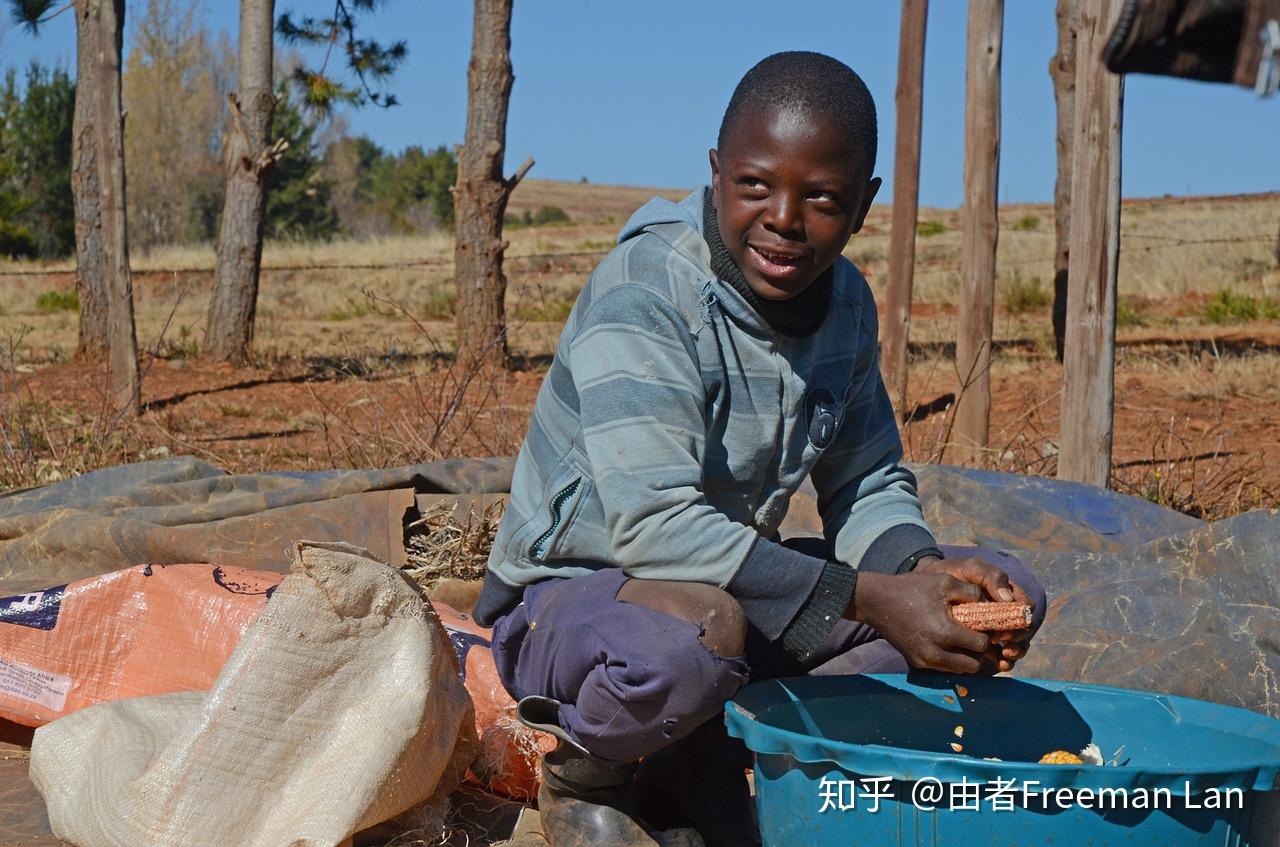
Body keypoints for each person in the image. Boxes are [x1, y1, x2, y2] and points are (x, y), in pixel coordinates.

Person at [472, 51, 1047, 847]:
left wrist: (918, 574)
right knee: (693, 636)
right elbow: (654, 529)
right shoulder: (648, 291)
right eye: (754, 185)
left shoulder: (844, 303)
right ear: (715, 173)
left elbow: (867, 477)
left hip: (733, 600)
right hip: (577, 610)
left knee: (986, 601)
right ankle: (589, 768)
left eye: (820, 198)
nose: (782, 217)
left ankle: (703, 747)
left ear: (863, 206)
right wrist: (876, 598)